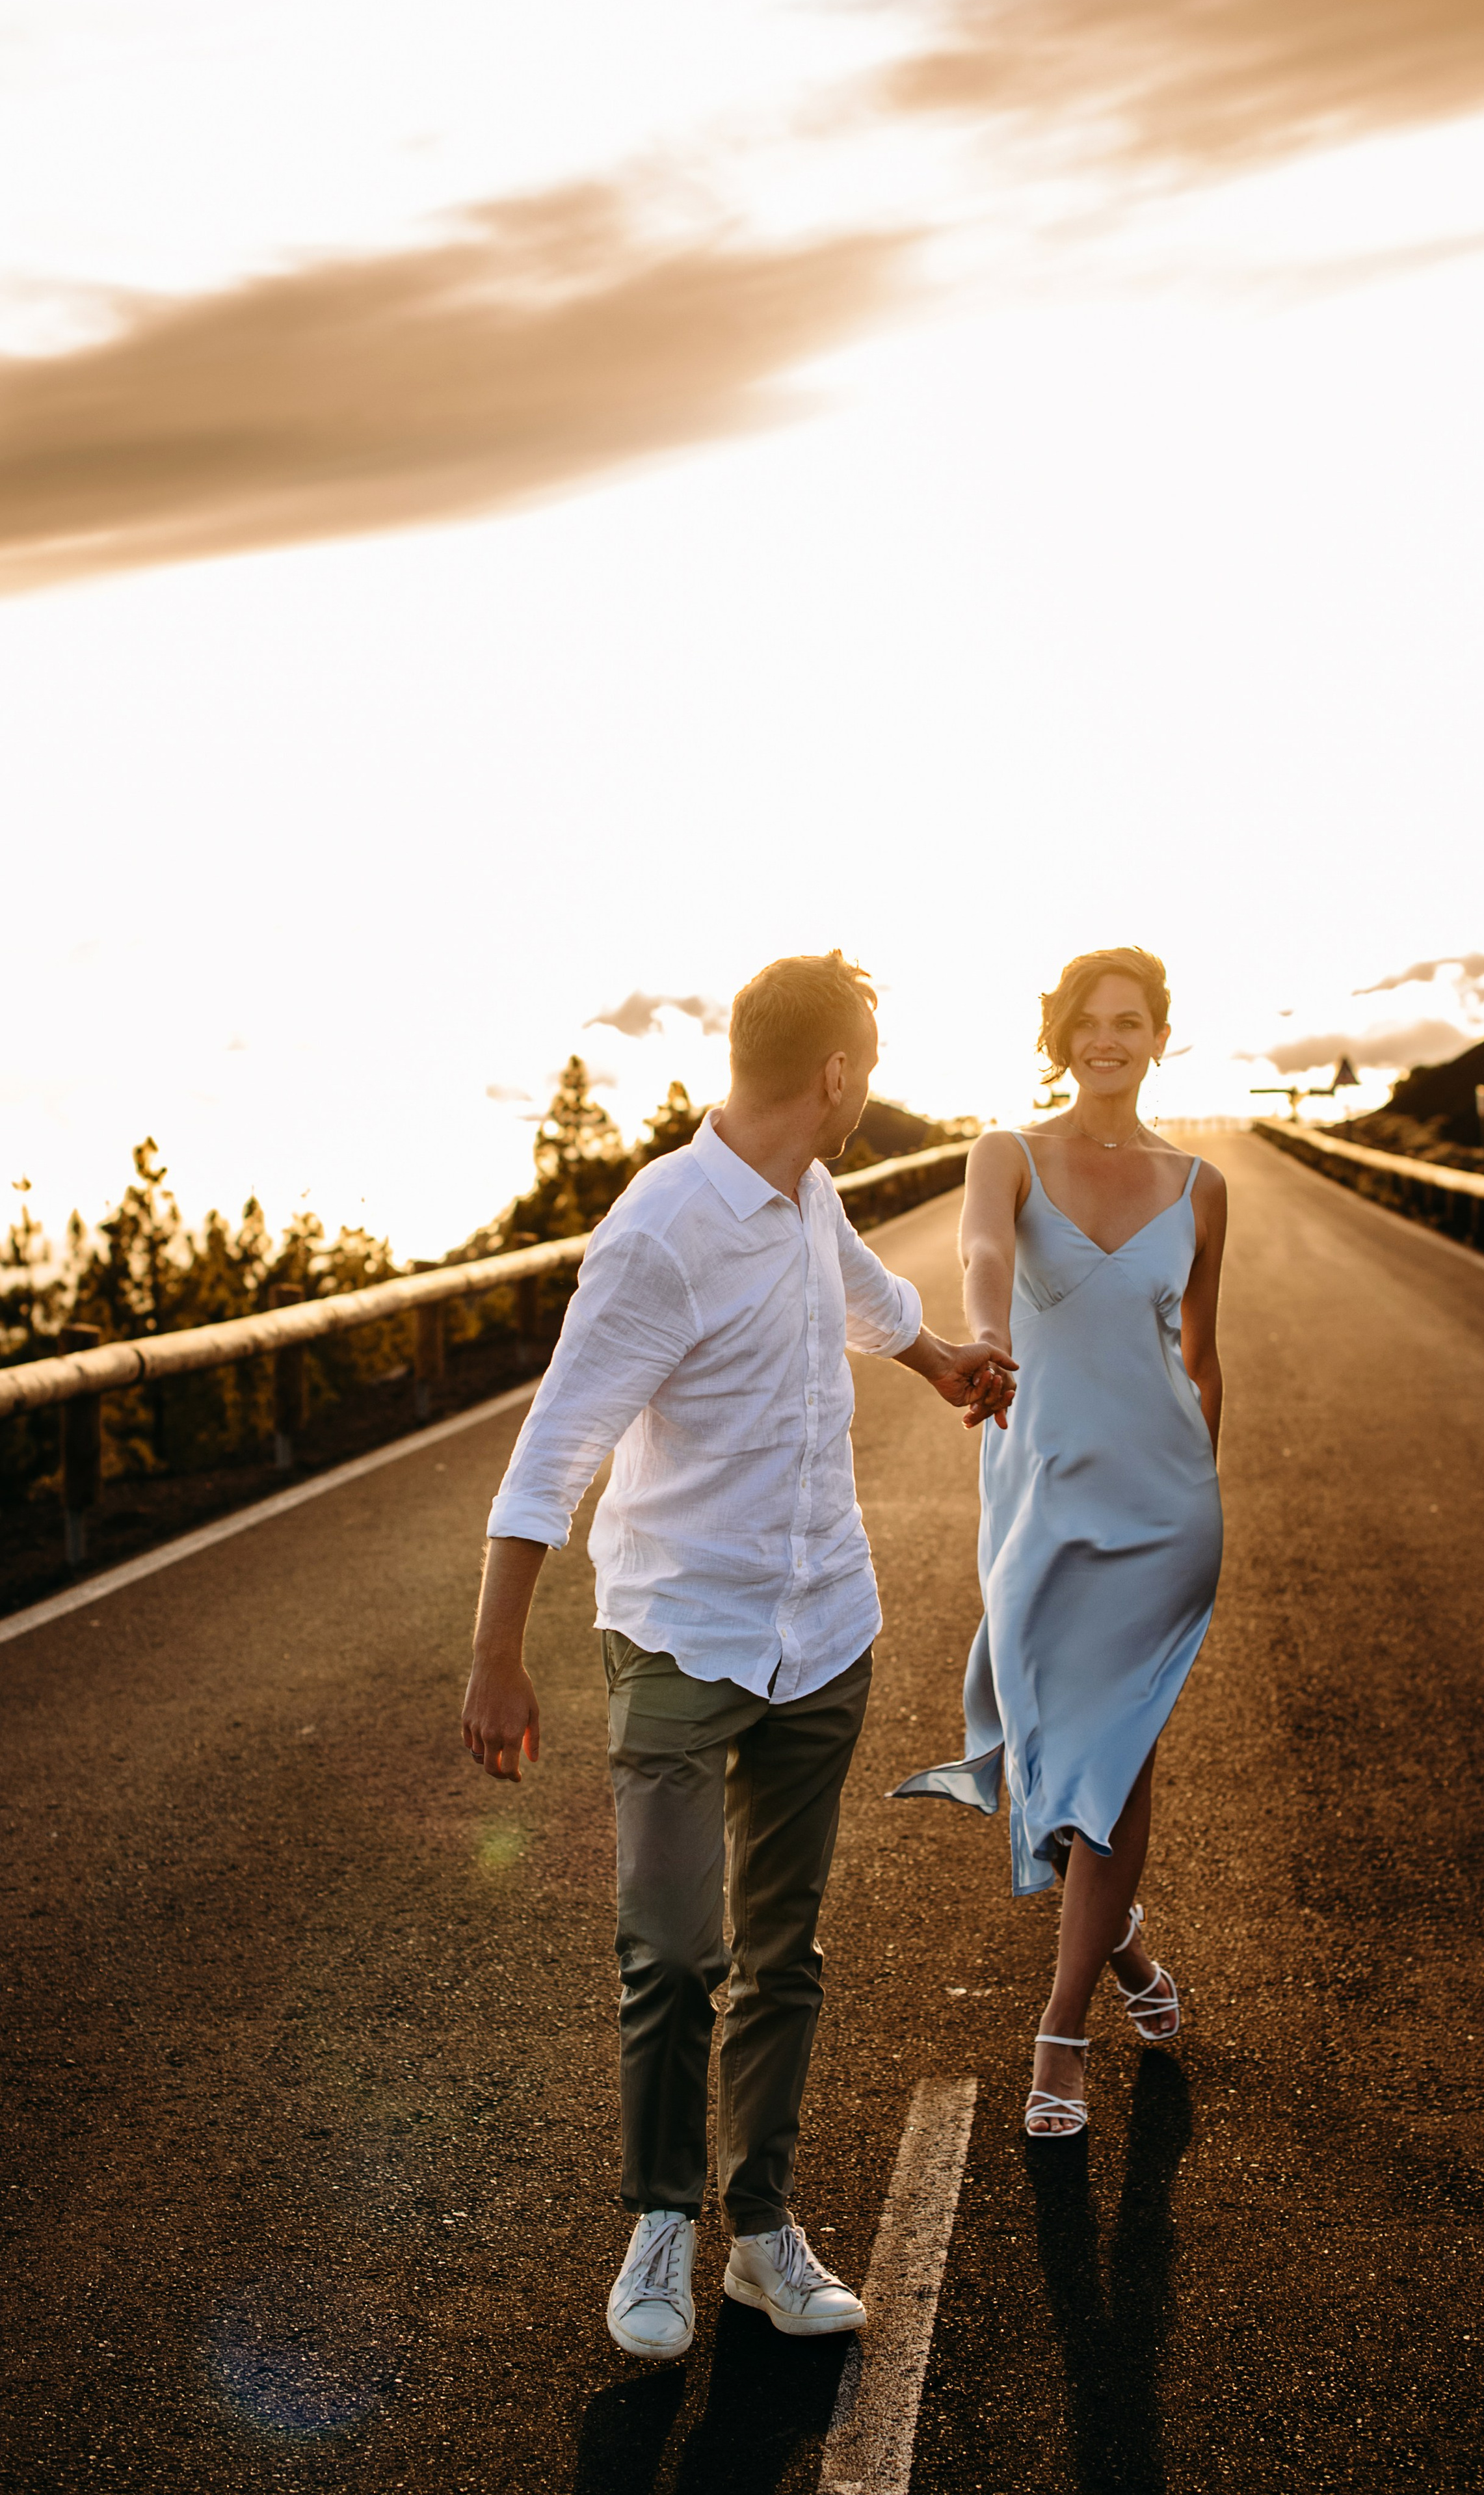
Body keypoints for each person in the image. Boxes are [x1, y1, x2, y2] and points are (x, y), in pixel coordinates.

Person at [460, 951, 1015, 2356]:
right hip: (676, 1635)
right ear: (831, 1073)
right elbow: (554, 1450)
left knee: (783, 1952)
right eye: (868, 1065)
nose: (870, 1089)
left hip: (822, 1626)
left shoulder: (805, 1193)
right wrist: (495, 1658)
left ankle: (758, 2233)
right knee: (670, 1949)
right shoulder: (659, 1232)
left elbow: (864, 1300)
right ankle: (660, 2220)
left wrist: (942, 1357)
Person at [891, 946, 1225, 2138]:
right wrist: (985, 1336)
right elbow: (982, 1253)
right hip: (1039, 1500)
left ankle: (1061, 2027)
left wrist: (1199, 1484)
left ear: (1159, 1034)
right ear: (1061, 1035)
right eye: (1091, 1020)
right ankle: (1125, 1942)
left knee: (1121, 1755)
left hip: (1165, 1511)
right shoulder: (1007, 1154)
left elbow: (1201, 1352)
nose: (1110, 1039)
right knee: (1054, 1758)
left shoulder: (1201, 1184)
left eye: (1132, 1021)